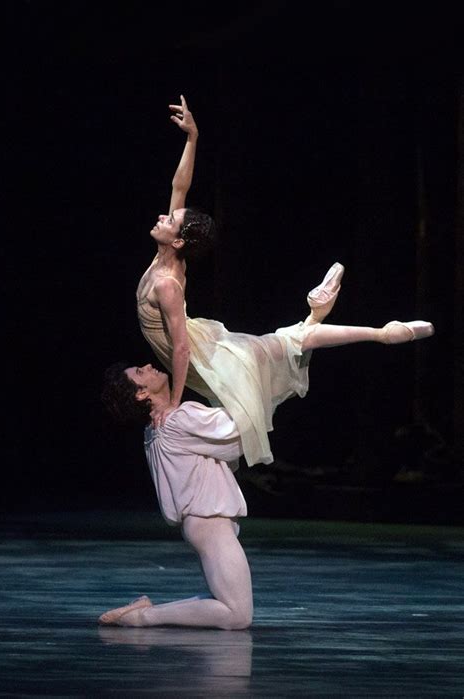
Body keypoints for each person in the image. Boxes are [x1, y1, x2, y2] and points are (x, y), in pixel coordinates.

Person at [136, 96, 434, 469]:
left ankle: (380, 331)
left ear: (178, 241)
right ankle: (335, 319)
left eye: (170, 222)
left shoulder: (167, 282)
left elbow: (180, 349)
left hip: (206, 357)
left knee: (287, 343)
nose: (163, 216)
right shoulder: (168, 257)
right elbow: (179, 187)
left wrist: (177, 403)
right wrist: (192, 138)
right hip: (205, 344)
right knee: (289, 341)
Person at [99, 303, 434, 629]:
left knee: (229, 605)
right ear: (142, 394)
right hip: (209, 523)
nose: (149, 366)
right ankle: (142, 618)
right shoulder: (177, 418)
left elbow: (226, 448)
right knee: (236, 615)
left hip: (207, 523)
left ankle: (144, 612)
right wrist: (254, 381)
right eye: (141, 372)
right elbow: (236, 430)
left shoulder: (160, 426)